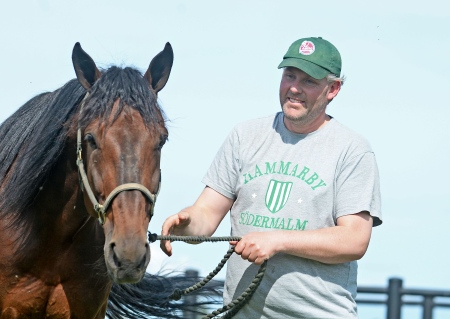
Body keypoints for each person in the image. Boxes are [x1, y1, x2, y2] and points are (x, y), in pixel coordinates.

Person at [160, 37, 382, 318]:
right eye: (289, 75)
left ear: (333, 89)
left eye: (309, 81)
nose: (294, 88)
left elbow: (354, 240)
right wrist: (185, 225)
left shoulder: (352, 149)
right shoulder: (245, 136)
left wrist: (277, 241)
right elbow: (206, 214)